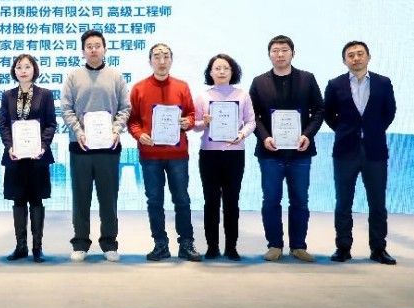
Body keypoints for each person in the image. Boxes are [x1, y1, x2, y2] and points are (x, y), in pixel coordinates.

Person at [249, 35, 324, 262]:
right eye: (275, 50)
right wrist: (264, 137)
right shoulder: (259, 82)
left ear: (293, 53)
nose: (279, 54)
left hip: (300, 152)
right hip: (270, 153)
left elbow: (319, 110)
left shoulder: (307, 79)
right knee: (271, 200)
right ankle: (274, 245)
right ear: (269, 54)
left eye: (284, 50)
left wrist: (307, 134)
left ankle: (298, 246)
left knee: (300, 200)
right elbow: (252, 116)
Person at [128, 43, 202, 262]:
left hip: (177, 154)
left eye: (166, 56)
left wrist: (187, 122)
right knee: (154, 201)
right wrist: (139, 134)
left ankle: (186, 244)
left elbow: (191, 114)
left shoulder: (182, 86)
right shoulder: (139, 88)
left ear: (171, 60)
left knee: (182, 200)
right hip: (150, 154)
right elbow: (132, 120)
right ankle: (160, 244)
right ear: (150, 61)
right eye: (157, 56)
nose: (162, 61)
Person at [324, 41, 397, 265]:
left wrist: (373, 131)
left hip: (375, 151)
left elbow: (389, 112)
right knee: (343, 202)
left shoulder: (383, 83)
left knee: (377, 202)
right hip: (345, 151)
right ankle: (343, 247)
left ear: (368, 57)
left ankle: (378, 249)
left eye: (360, 54)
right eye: (351, 55)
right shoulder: (335, 84)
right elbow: (328, 114)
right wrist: (346, 132)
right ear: (344, 60)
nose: (356, 58)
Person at [61, 30, 130, 262]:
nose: (93, 49)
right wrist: (78, 131)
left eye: (97, 45)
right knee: (81, 197)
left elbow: (125, 108)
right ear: (83, 51)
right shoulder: (74, 77)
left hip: (108, 147)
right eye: (89, 46)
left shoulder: (116, 76)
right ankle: (80, 242)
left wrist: (116, 129)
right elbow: (66, 108)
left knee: (108, 198)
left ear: (104, 49)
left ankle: (109, 243)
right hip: (80, 146)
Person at [192, 54, 256, 261]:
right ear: (210, 72)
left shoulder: (242, 95)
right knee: (211, 201)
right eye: (217, 68)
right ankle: (212, 246)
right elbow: (194, 125)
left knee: (232, 201)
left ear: (232, 71)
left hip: (234, 154)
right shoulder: (203, 96)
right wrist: (204, 123)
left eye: (226, 68)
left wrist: (241, 135)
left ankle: (231, 246)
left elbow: (251, 122)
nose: (221, 72)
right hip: (209, 154)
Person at [0, 54, 57, 263]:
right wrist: (9, 146)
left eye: (27, 67)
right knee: (19, 199)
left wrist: (43, 145)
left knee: (36, 199)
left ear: (34, 70)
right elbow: (3, 124)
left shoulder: (45, 94)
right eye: (19, 67)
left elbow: (51, 124)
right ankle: (20, 246)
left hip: (37, 156)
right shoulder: (7, 95)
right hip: (15, 156)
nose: (23, 71)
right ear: (14, 71)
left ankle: (37, 248)